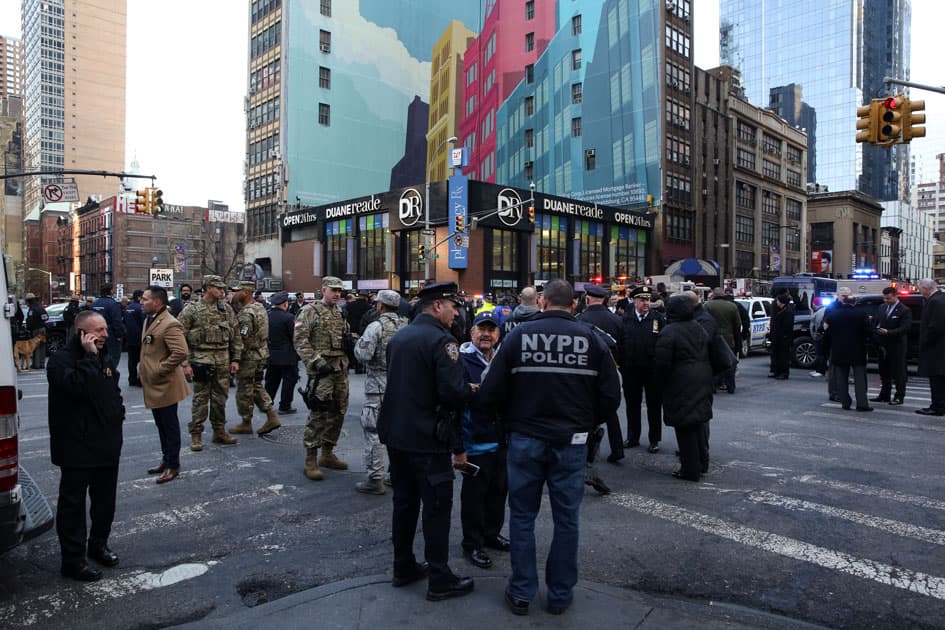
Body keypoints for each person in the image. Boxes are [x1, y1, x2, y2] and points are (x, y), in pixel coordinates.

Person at [478, 279, 620, 616]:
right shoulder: (592, 339)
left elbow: (489, 393)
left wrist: (506, 420)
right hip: (571, 440)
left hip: (525, 438)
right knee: (567, 519)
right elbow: (611, 397)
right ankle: (558, 594)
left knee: (523, 517)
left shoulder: (516, 336)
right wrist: (585, 422)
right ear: (574, 305)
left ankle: (523, 591)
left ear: (542, 303)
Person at [377, 281, 476, 601]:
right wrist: (469, 390)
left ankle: (402, 565)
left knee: (404, 504)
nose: (456, 312)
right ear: (437, 306)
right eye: (452, 306)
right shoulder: (442, 341)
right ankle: (439, 577)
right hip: (428, 438)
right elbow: (451, 393)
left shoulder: (401, 336)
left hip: (397, 435)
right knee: (436, 508)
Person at [46, 311, 124, 581]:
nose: (105, 335)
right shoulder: (59, 362)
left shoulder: (104, 357)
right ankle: (73, 560)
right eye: (99, 330)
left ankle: (98, 545)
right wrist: (90, 358)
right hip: (76, 445)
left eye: (105, 329)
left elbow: (112, 390)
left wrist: (118, 416)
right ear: (82, 333)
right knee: (73, 506)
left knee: (105, 502)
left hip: (106, 442)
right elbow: (78, 387)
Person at [459, 311, 509, 569]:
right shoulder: (460, 360)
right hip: (474, 441)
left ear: (499, 334)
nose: (487, 334)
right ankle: (473, 543)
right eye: (482, 329)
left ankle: (491, 534)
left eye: (492, 330)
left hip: (501, 438)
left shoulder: (503, 358)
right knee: (474, 497)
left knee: (499, 491)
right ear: (472, 333)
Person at [294, 276, 352, 480]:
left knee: (339, 410)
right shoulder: (309, 311)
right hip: (322, 371)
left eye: (340, 291)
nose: (337, 294)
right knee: (319, 412)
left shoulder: (340, 312)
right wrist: (317, 362)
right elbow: (300, 340)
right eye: (333, 290)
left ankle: (327, 453)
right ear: (323, 289)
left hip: (340, 368)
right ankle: (311, 458)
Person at [178, 275, 242, 451]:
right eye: (218, 288)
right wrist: (185, 364)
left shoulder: (226, 310)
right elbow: (178, 336)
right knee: (200, 400)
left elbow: (236, 335)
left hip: (223, 359)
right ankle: (196, 434)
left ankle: (219, 431)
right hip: (201, 359)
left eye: (223, 288)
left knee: (220, 398)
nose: (222, 291)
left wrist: (236, 359)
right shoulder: (192, 310)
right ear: (207, 288)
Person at [654, 295, 714, 482]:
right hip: (702, 378)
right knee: (698, 423)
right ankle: (702, 463)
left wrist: (658, 386)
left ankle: (690, 469)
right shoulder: (698, 327)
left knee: (685, 427)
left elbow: (662, 364)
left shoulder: (670, 331)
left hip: (680, 382)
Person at [353, 289, 407, 495]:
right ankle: (396, 474)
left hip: (377, 385)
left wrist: (355, 344)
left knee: (373, 431)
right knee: (398, 432)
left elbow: (363, 355)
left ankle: (375, 478)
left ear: (380, 306)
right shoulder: (406, 325)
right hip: (401, 385)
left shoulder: (376, 326)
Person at [139, 286, 189, 484]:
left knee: (169, 426)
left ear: (157, 302)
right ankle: (165, 459)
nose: (141, 302)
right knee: (161, 425)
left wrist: (159, 369)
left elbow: (181, 352)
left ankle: (173, 465)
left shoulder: (170, 323)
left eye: (145, 299)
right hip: (154, 384)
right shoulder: (149, 319)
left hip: (165, 383)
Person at [576, 283, 624, 491]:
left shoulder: (580, 320)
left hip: (585, 377)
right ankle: (617, 448)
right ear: (604, 300)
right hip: (610, 372)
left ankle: (585, 461)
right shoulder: (616, 320)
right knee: (609, 413)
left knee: (584, 419)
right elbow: (624, 345)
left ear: (587, 299)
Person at [228, 282, 281, 436]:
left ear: (245, 292)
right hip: (261, 353)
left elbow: (242, 338)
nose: (235, 294)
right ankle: (271, 416)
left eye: (238, 291)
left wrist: (235, 357)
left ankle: (246, 422)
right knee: (256, 385)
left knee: (245, 389)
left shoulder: (246, 313)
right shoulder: (260, 307)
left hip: (249, 356)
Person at [620, 285, 664, 452]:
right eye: (642, 300)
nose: (646, 303)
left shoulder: (657, 318)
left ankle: (654, 439)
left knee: (654, 405)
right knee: (632, 405)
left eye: (648, 299)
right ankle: (633, 437)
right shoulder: (626, 319)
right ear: (634, 301)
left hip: (652, 370)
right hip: (631, 369)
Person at [824, 291, 872, 411]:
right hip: (858, 351)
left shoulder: (833, 315)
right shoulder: (861, 314)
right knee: (859, 379)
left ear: (843, 302)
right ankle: (862, 404)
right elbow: (868, 332)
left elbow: (826, 333)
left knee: (841, 379)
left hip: (839, 351)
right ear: (854, 303)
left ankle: (845, 402)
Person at [872, 286, 912, 405]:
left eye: (888, 298)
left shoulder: (904, 310)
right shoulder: (882, 307)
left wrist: (889, 332)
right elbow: (876, 321)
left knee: (898, 373)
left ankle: (899, 396)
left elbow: (905, 328)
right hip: (883, 345)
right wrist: (876, 330)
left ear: (895, 296)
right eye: (884, 298)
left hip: (897, 346)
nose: (886, 301)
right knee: (884, 371)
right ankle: (884, 394)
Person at [264, 291, 300, 415]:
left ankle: (266, 404)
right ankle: (285, 406)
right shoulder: (289, 318)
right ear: (285, 304)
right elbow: (296, 336)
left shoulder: (266, 316)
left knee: (271, 381)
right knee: (289, 381)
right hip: (288, 355)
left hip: (271, 354)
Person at [704, 287, 741, 394]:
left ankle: (714, 386)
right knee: (729, 362)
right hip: (728, 338)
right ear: (724, 294)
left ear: (714, 295)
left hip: (713, 337)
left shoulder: (707, 305)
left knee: (713, 362)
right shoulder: (732, 306)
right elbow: (737, 324)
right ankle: (731, 386)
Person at [916, 279, 945, 416]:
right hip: (939, 347)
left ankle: (937, 406)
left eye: (920, 289)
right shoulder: (941, 298)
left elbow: (935, 326)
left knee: (937, 378)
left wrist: (925, 342)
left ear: (925, 288)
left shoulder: (935, 301)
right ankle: (939, 404)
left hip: (936, 348)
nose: (920, 292)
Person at [769, 293, 795, 379]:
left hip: (783, 338)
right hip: (779, 337)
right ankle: (777, 371)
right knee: (778, 355)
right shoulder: (782, 310)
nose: (776, 302)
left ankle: (784, 373)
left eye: (778, 301)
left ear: (781, 302)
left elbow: (786, 326)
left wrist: (783, 336)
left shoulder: (787, 311)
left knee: (783, 356)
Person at [123, 289, 145, 387]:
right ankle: (140, 380)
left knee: (131, 361)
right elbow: (144, 323)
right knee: (142, 361)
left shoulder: (128, 308)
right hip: (140, 338)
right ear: (139, 297)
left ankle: (132, 379)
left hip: (130, 338)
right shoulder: (141, 308)